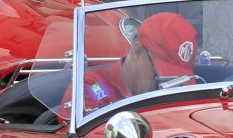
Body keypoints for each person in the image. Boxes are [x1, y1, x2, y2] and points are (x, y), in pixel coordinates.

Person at [69, 11, 198, 115]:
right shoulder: (94, 88)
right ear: (137, 51)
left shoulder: (178, 90)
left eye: (178, 80)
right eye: (159, 76)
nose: (167, 87)